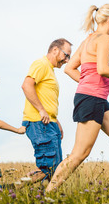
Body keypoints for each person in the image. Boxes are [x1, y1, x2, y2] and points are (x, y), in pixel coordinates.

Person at [45, 4, 109, 192]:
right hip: (91, 98)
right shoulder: (104, 38)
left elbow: (69, 68)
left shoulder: (88, 40)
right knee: (80, 153)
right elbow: (102, 69)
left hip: (95, 97)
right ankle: (49, 193)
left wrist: (87, 82)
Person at [21, 38, 72, 183]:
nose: (67, 60)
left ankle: (45, 195)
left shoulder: (50, 70)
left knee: (55, 169)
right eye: (66, 55)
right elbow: (26, 85)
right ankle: (9, 190)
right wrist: (41, 110)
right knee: (48, 167)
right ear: (55, 50)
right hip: (39, 123)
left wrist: (56, 122)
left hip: (49, 123)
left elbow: (46, 100)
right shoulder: (41, 64)